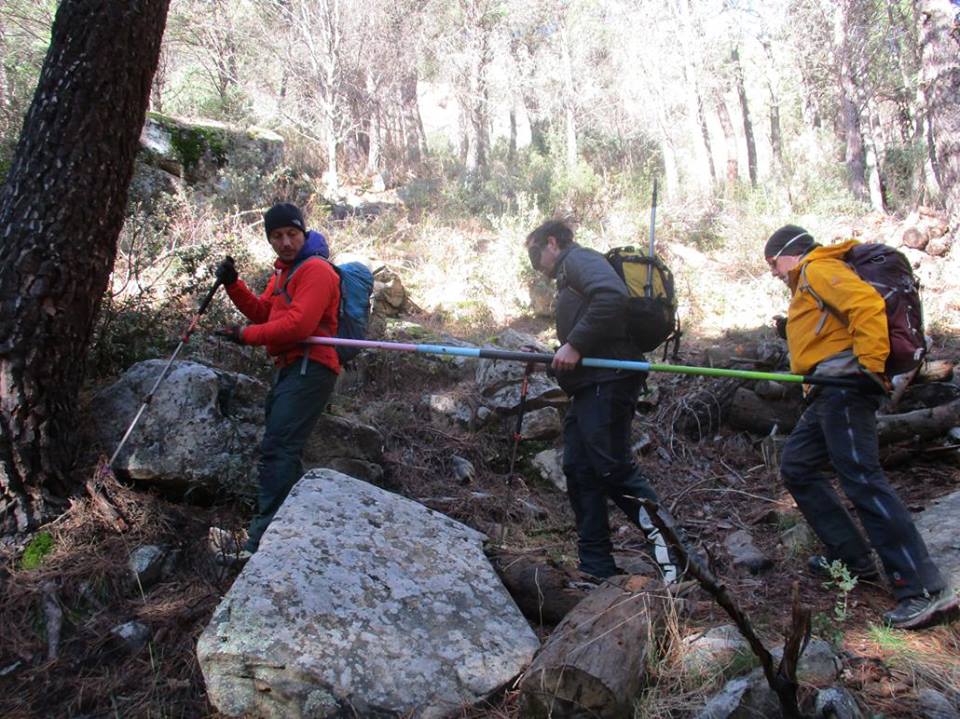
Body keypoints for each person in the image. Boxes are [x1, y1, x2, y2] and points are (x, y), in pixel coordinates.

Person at [765, 224, 957, 629]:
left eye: (773, 263)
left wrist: (868, 368)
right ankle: (852, 558)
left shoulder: (817, 269)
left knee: (863, 480)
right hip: (827, 390)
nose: (773, 273)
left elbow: (866, 306)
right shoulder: (809, 282)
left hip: (846, 387)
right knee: (798, 466)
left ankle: (922, 588)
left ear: (790, 253)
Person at [525, 219, 678, 582]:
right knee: (579, 470)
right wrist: (563, 355)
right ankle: (595, 567)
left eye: (534, 252)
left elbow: (611, 295)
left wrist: (575, 344)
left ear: (551, 242)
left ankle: (676, 556)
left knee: (613, 469)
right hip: (590, 385)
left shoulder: (578, 260)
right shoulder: (569, 276)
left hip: (608, 381)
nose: (533, 262)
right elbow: (594, 327)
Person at [213, 202, 341, 560]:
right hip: (290, 367)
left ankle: (261, 544)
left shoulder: (315, 270)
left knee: (278, 450)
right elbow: (263, 312)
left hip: (310, 368)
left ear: (304, 233)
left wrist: (245, 336)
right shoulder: (284, 273)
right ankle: (291, 533)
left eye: (292, 234)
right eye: (277, 236)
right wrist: (233, 285)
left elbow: (299, 326)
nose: (285, 242)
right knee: (282, 451)